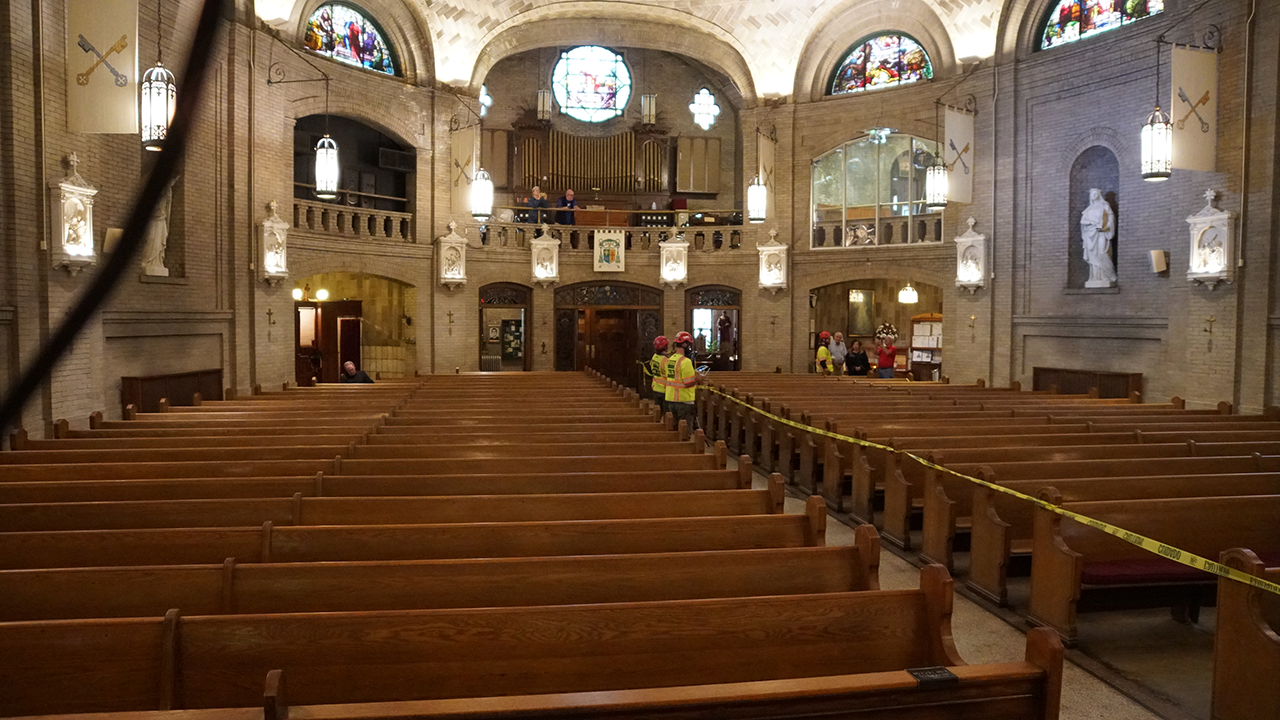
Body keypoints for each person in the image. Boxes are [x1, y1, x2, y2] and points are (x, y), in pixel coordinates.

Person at [664, 331, 701, 430]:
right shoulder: (685, 362)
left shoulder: (670, 360)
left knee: (675, 430)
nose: (690, 348)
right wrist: (697, 379)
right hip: (684, 401)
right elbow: (688, 383)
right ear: (685, 344)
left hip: (671, 399)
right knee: (685, 431)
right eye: (689, 345)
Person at [1080, 187, 1117, 286]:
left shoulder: (1105, 205)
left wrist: (1106, 226)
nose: (1093, 195)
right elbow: (1083, 221)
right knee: (1093, 255)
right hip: (1090, 234)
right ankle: (1095, 277)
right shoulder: (1088, 209)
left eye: (1095, 193)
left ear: (1099, 195)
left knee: (1102, 251)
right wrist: (1091, 223)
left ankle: (1107, 276)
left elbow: (1111, 218)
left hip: (1101, 233)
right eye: (1092, 194)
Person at [649, 335, 670, 417]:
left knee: (658, 412)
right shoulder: (666, 360)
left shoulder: (654, 357)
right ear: (665, 347)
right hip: (664, 390)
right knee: (666, 414)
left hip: (656, 387)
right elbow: (669, 375)